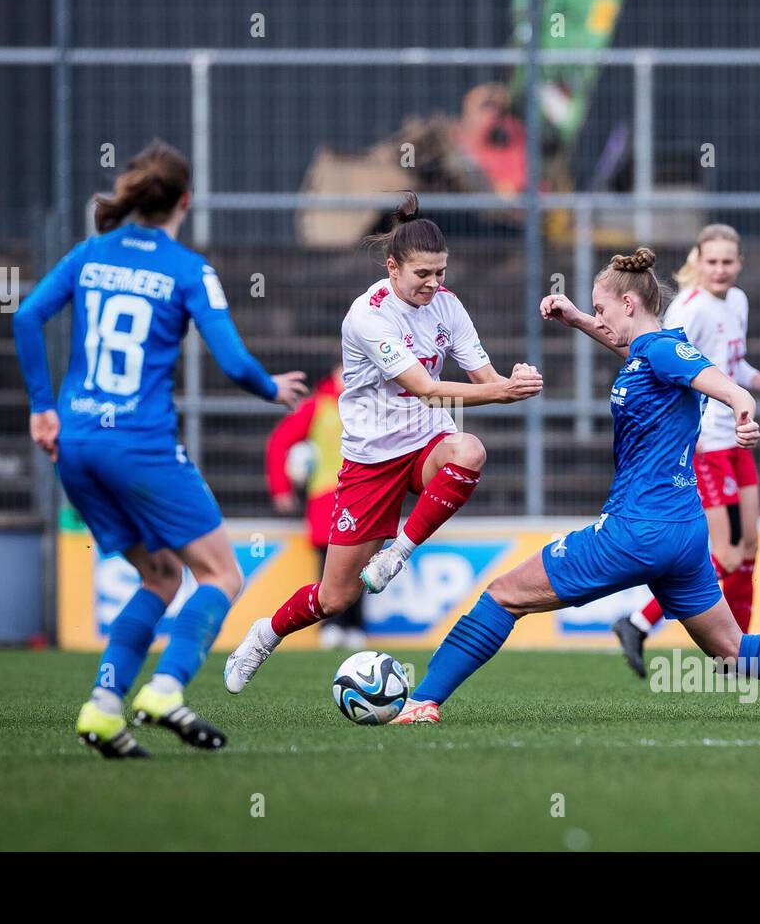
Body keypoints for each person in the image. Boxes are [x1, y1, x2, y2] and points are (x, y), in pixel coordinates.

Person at [391, 248, 760, 724]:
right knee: (732, 649)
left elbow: (715, 379)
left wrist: (742, 406)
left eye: (601, 308)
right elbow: (638, 352)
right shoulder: (652, 352)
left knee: (504, 596)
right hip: (684, 533)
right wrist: (576, 318)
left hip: (637, 528)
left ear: (627, 302)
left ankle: (422, 702)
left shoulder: (666, 353)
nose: (600, 318)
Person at [13, 139, 307, 758]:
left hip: (76, 443)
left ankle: (102, 707)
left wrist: (43, 405)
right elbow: (231, 360)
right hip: (138, 445)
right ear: (186, 200)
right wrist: (271, 387)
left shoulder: (90, 255)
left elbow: (26, 317)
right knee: (222, 573)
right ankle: (166, 688)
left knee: (160, 575)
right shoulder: (187, 269)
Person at [223, 191, 544, 693]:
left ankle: (399, 552)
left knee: (471, 450)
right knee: (334, 598)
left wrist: (514, 380)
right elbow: (426, 386)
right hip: (371, 459)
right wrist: (500, 392)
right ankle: (264, 635)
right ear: (393, 268)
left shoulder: (448, 305)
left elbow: (484, 376)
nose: (434, 284)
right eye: (423, 275)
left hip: (425, 443)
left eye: (441, 273)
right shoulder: (367, 316)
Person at [613, 224, 760, 677]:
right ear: (698, 260)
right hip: (708, 442)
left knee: (750, 546)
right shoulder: (687, 309)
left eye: (727, 262)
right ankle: (639, 621)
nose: (719, 269)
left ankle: (739, 657)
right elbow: (664, 360)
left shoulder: (738, 302)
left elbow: (731, 365)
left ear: (739, 264)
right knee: (726, 555)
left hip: (738, 436)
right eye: (711, 261)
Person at [264, 362, 368, 650]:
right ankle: (332, 624)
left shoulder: (372, 406)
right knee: (330, 561)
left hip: (365, 497)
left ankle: (356, 624)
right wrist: (281, 488)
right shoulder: (317, 406)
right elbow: (279, 442)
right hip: (328, 498)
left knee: (363, 561)